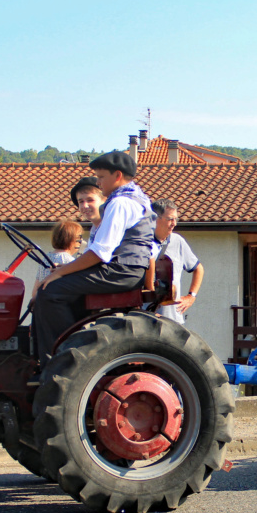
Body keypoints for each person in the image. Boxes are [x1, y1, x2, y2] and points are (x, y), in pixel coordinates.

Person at [33, 152, 155, 365]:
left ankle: (63, 360)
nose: (98, 182)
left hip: (120, 270)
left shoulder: (121, 203)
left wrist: (61, 271)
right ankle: (71, 349)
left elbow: (101, 253)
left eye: (100, 177)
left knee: (49, 291)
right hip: (125, 269)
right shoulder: (135, 198)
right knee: (62, 289)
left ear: (117, 175)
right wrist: (65, 270)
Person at [150, 199, 203, 326]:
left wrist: (191, 296)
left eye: (176, 219)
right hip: (147, 319)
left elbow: (199, 269)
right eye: (170, 219)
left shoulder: (177, 241)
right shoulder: (141, 242)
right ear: (155, 219)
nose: (174, 224)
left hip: (173, 320)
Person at [31, 220, 83, 301]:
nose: (81, 243)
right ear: (72, 240)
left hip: (42, 305)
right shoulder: (71, 262)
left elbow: (35, 292)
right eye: (79, 238)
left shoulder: (45, 259)